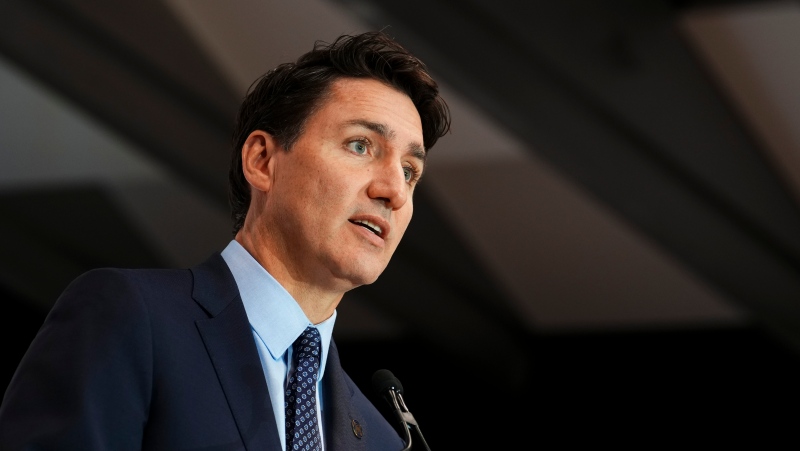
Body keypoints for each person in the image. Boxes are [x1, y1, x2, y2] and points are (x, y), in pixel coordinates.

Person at [0, 30, 450, 450]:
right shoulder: (131, 318)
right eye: (360, 145)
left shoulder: (381, 437)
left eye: (411, 172)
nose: (393, 190)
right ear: (262, 160)